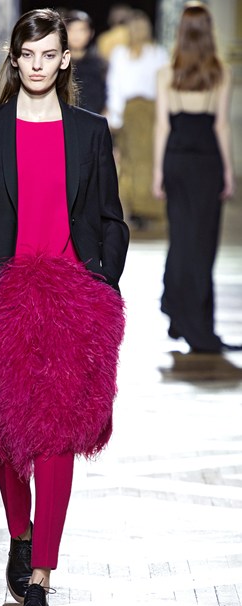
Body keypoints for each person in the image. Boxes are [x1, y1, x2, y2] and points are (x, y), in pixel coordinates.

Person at [0, 9, 129, 606]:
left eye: (50, 54)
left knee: (54, 440)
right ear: (15, 59)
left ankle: (41, 579)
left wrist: (100, 284)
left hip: (69, 305)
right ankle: (20, 534)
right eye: (29, 55)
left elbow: (112, 218)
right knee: (3, 438)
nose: (39, 65)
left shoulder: (90, 131)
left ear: (64, 59)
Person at [153, 1, 240, 354]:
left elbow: (163, 125)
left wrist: (158, 171)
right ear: (209, 33)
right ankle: (195, 320)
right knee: (202, 244)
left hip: (176, 160)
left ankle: (176, 307)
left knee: (181, 238)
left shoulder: (166, 73)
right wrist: (228, 171)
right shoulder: (221, 73)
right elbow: (220, 126)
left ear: (181, 33)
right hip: (206, 163)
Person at [107, 10, 169, 229]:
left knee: (148, 161)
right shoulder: (120, 54)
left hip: (151, 112)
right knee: (130, 163)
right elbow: (114, 85)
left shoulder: (158, 53)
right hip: (132, 113)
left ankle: (148, 210)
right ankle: (134, 209)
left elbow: (164, 86)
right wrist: (115, 116)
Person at [65, 10, 108, 114]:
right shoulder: (57, 63)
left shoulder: (100, 65)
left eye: (81, 30)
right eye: (71, 30)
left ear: (91, 33)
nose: (76, 35)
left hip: (93, 118)